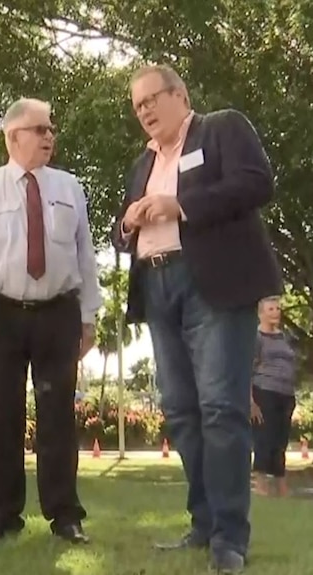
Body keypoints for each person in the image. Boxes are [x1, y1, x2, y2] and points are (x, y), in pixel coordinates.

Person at [113, 64, 282, 573]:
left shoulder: (223, 127)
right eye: (137, 105)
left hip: (214, 284)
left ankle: (231, 538)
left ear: (179, 95)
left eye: (151, 99)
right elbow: (124, 229)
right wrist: (127, 222)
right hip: (157, 286)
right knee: (182, 411)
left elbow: (257, 184)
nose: (144, 110)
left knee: (221, 409)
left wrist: (179, 205)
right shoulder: (139, 164)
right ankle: (204, 524)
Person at [0, 97, 101, 544]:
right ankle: (1, 515)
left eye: (50, 129)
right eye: (39, 129)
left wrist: (88, 317)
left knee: (58, 416)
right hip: (2, 313)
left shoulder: (70, 187)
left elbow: (85, 255)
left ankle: (65, 515)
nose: (49, 136)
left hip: (58, 312)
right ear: (13, 137)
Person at [251, 296, 298, 497]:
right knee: (264, 438)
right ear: (261, 313)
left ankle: (281, 488)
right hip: (264, 391)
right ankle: (261, 486)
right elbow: (247, 369)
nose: (276, 312)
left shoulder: (284, 337)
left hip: (286, 394)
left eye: (278, 308)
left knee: (281, 441)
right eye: (271, 309)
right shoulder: (257, 337)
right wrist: (250, 401)